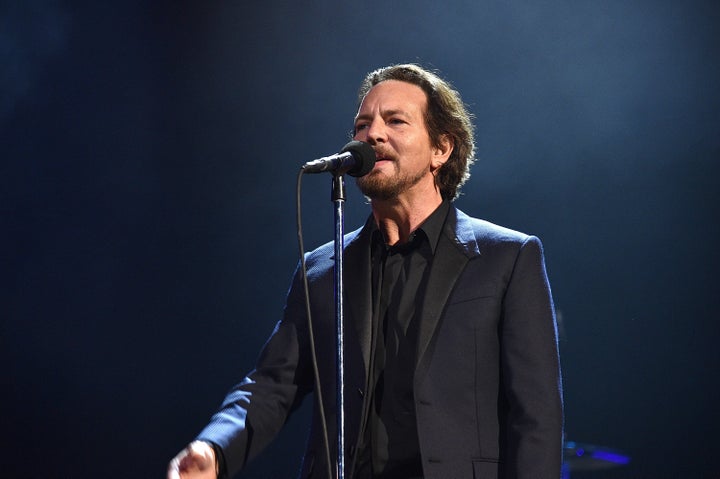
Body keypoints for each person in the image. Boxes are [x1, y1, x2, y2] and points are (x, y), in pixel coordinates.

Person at [167, 64, 563, 479]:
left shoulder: (506, 257)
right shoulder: (322, 270)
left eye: (395, 121)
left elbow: (536, 415)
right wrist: (214, 446)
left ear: (441, 149)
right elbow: (271, 384)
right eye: (362, 124)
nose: (372, 135)